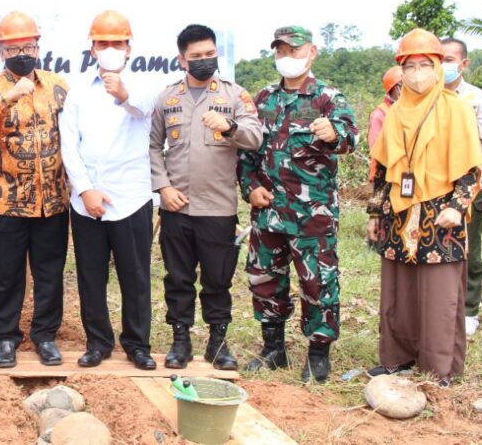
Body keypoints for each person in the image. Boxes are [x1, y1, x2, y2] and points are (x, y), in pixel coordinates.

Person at [237, 25, 358, 383]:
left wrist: (335, 134)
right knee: (264, 280)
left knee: (318, 284)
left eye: (294, 50)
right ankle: (273, 348)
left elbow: (350, 138)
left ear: (312, 52)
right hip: (268, 211)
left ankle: (318, 353)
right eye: (281, 51)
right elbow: (247, 151)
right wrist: (250, 187)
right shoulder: (263, 99)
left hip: (312, 217)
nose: (287, 57)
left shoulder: (328, 99)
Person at [368, 28, 482, 386]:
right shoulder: (397, 111)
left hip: (441, 213)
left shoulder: (456, 108)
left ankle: (438, 368)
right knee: (399, 291)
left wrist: (458, 205)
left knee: (439, 294)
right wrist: (375, 213)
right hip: (399, 212)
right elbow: (383, 168)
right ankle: (397, 358)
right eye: (409, 65)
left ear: (437, 66)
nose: (417, 73)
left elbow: (472, 168)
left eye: (424, 64)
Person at [150, 24, 264, 371]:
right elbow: (154, 146)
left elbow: (255, 137)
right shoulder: (167, 98)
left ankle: (218, 343)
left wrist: (229, 127)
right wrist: (163, 187)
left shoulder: (234, 96)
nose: (204, 61)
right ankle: (180, 341)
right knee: (179, 278)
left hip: (217, 207)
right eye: (196, 56)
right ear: (181, 59)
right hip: (177, 206)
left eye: (209, 54)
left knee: (218, 279)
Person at [0, 11, 70, 369]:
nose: (22, 52)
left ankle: (45, 336)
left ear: (39, 47)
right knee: (4, 275)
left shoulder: (58, 86)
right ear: (0, 50)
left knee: (49, 272)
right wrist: (10, 97)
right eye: (14, 47)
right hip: (5, 201)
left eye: (29, 45)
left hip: (52, 201)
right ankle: (6, 338)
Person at [60, 10, 156, 370]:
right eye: (103, 43)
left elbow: (142, 107)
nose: (110, 49)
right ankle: (98, 342)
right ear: (92, 48)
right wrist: (85, 190)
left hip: (131, 197)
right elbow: (69, 144)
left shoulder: (143, 83)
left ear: (129, 47)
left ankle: (137, 344)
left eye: (117, 43)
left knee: (135, 275)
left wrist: (123, 93)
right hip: (88, 201)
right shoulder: (78, 92)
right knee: (91, 275)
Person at [441, 37, 482, 337]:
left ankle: (469, 309)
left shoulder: (478, 98)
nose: (443, 65)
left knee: (469, 249)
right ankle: (442, 307)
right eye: (438, 58)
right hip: (437, 186)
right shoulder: (427, 97)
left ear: (463, 64)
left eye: (449, 59)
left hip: (469, 185)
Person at [368, 66, 403, 181]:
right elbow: (377, 148)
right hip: (385, 176)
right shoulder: (380, 114)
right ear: (395, 88)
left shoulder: (409, 111)